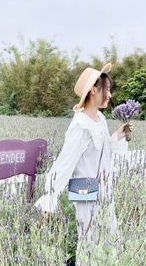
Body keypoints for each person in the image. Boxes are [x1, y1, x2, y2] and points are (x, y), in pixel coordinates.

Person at [35, 63, 133, 249]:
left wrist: (118, 136)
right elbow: (65, 163)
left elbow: (103, 151)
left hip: (104, 191)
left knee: (109, 241)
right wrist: (50, 198)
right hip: (86, 192)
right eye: (107, 89)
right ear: (94, 90)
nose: (110, 95)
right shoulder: (80, 125)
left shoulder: (100, 119)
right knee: (90, 243)